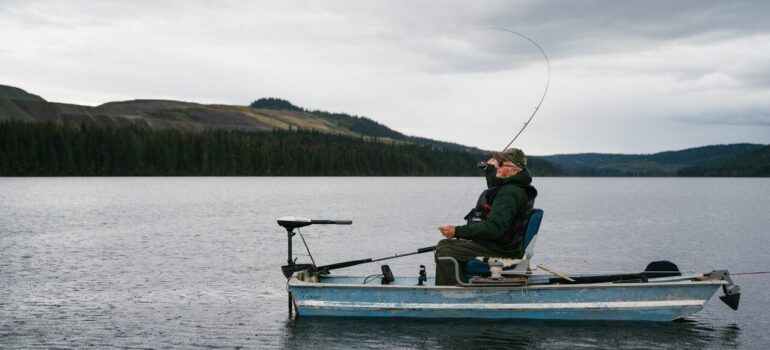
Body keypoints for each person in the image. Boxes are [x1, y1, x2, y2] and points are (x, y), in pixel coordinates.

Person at [435, 147, 538, 286]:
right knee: (446, 246)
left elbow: (494, 228)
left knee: (445, 249)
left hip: (501, 250)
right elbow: (496, 185)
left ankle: (451, 294)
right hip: (502, 244)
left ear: (515, 170)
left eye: (501, 164)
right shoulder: (513, 187)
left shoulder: (509, 193)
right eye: (497, 163)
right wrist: (490, 170)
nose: (497, 167)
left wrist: (457, 231)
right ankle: (462, 284)